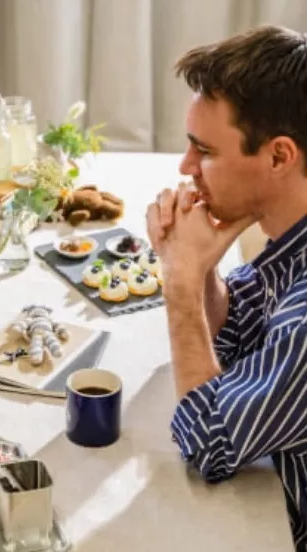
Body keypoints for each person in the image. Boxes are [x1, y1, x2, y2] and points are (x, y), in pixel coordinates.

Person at [145, 25, 307, 549]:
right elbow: (238, 337)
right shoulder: (291, 243)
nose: (186, 167)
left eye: (203, 151)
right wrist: (203, 269)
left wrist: (181, 284)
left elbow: (206, 441)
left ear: (279, 156)